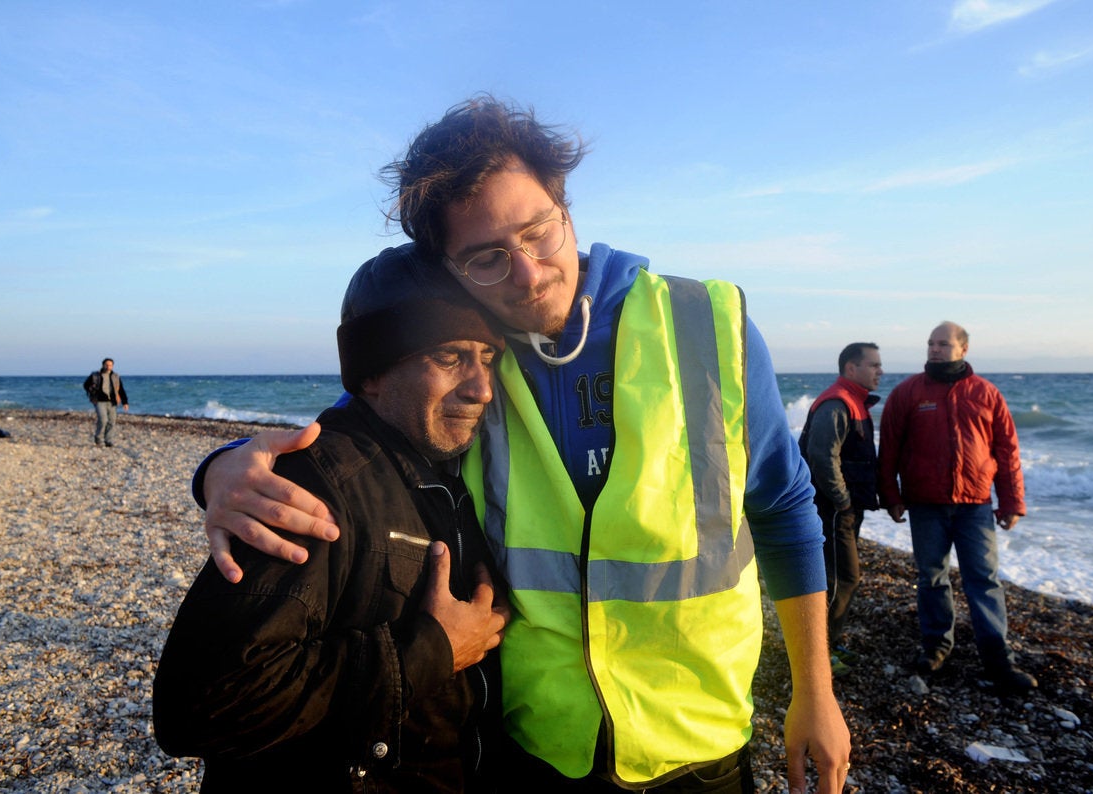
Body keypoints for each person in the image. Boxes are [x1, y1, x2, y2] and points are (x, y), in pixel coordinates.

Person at [195, 97, 850, 792]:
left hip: (701, 743)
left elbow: (782, 508)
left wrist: (815, 690)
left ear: (566, 209)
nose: (529, 274)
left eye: (539, 232)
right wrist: (221, 467)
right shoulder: (471, 360)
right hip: (537, 747)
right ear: (450, 269)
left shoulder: (705, 324)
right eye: (486, 259)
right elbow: (352, 436)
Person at [153, 246, 510, 792]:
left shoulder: (459, 465)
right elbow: (203, 706)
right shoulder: (315, 490)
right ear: (371, 373)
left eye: (488, 357)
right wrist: (431, 650)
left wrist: (215, 465)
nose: (481, 386)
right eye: (449, 357)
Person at [878, 321, 1038, 695]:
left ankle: (998, 658)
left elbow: (1007, 451)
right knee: (931, 578)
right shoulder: (908, 393)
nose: (935, 349)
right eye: (931, 343)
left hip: (975, 506)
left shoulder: (986, 393)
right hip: (925, 505)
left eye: (943, 344)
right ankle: (936, 646)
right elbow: (889, 451)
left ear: (963, 349)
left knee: (983, 579)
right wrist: (892, 496)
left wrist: (1012, 501)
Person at [797, 343, 882, 679]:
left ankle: (831, 643)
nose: (880, 371)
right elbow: (821, 456)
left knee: (842, 577)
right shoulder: (837, 403)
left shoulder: (855, 402)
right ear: (851, 368)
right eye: (873, 365)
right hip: (833, 508)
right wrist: (842, 498)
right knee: (841, 578)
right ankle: (820, 653)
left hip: (846, 508)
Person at [82, 357, 128, 447]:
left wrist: (125, 402)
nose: (108, 367)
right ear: (103, 365)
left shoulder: (116, 376)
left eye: (110, 365)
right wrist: (91, 390)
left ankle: (108, 440)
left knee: (111, 421)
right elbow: (85, 385)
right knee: (103, 420)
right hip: (99, 401)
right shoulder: (95, 375)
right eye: (107, 365)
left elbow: (121, 389)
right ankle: (98, 439)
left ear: (113, 366)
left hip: (112, 402)